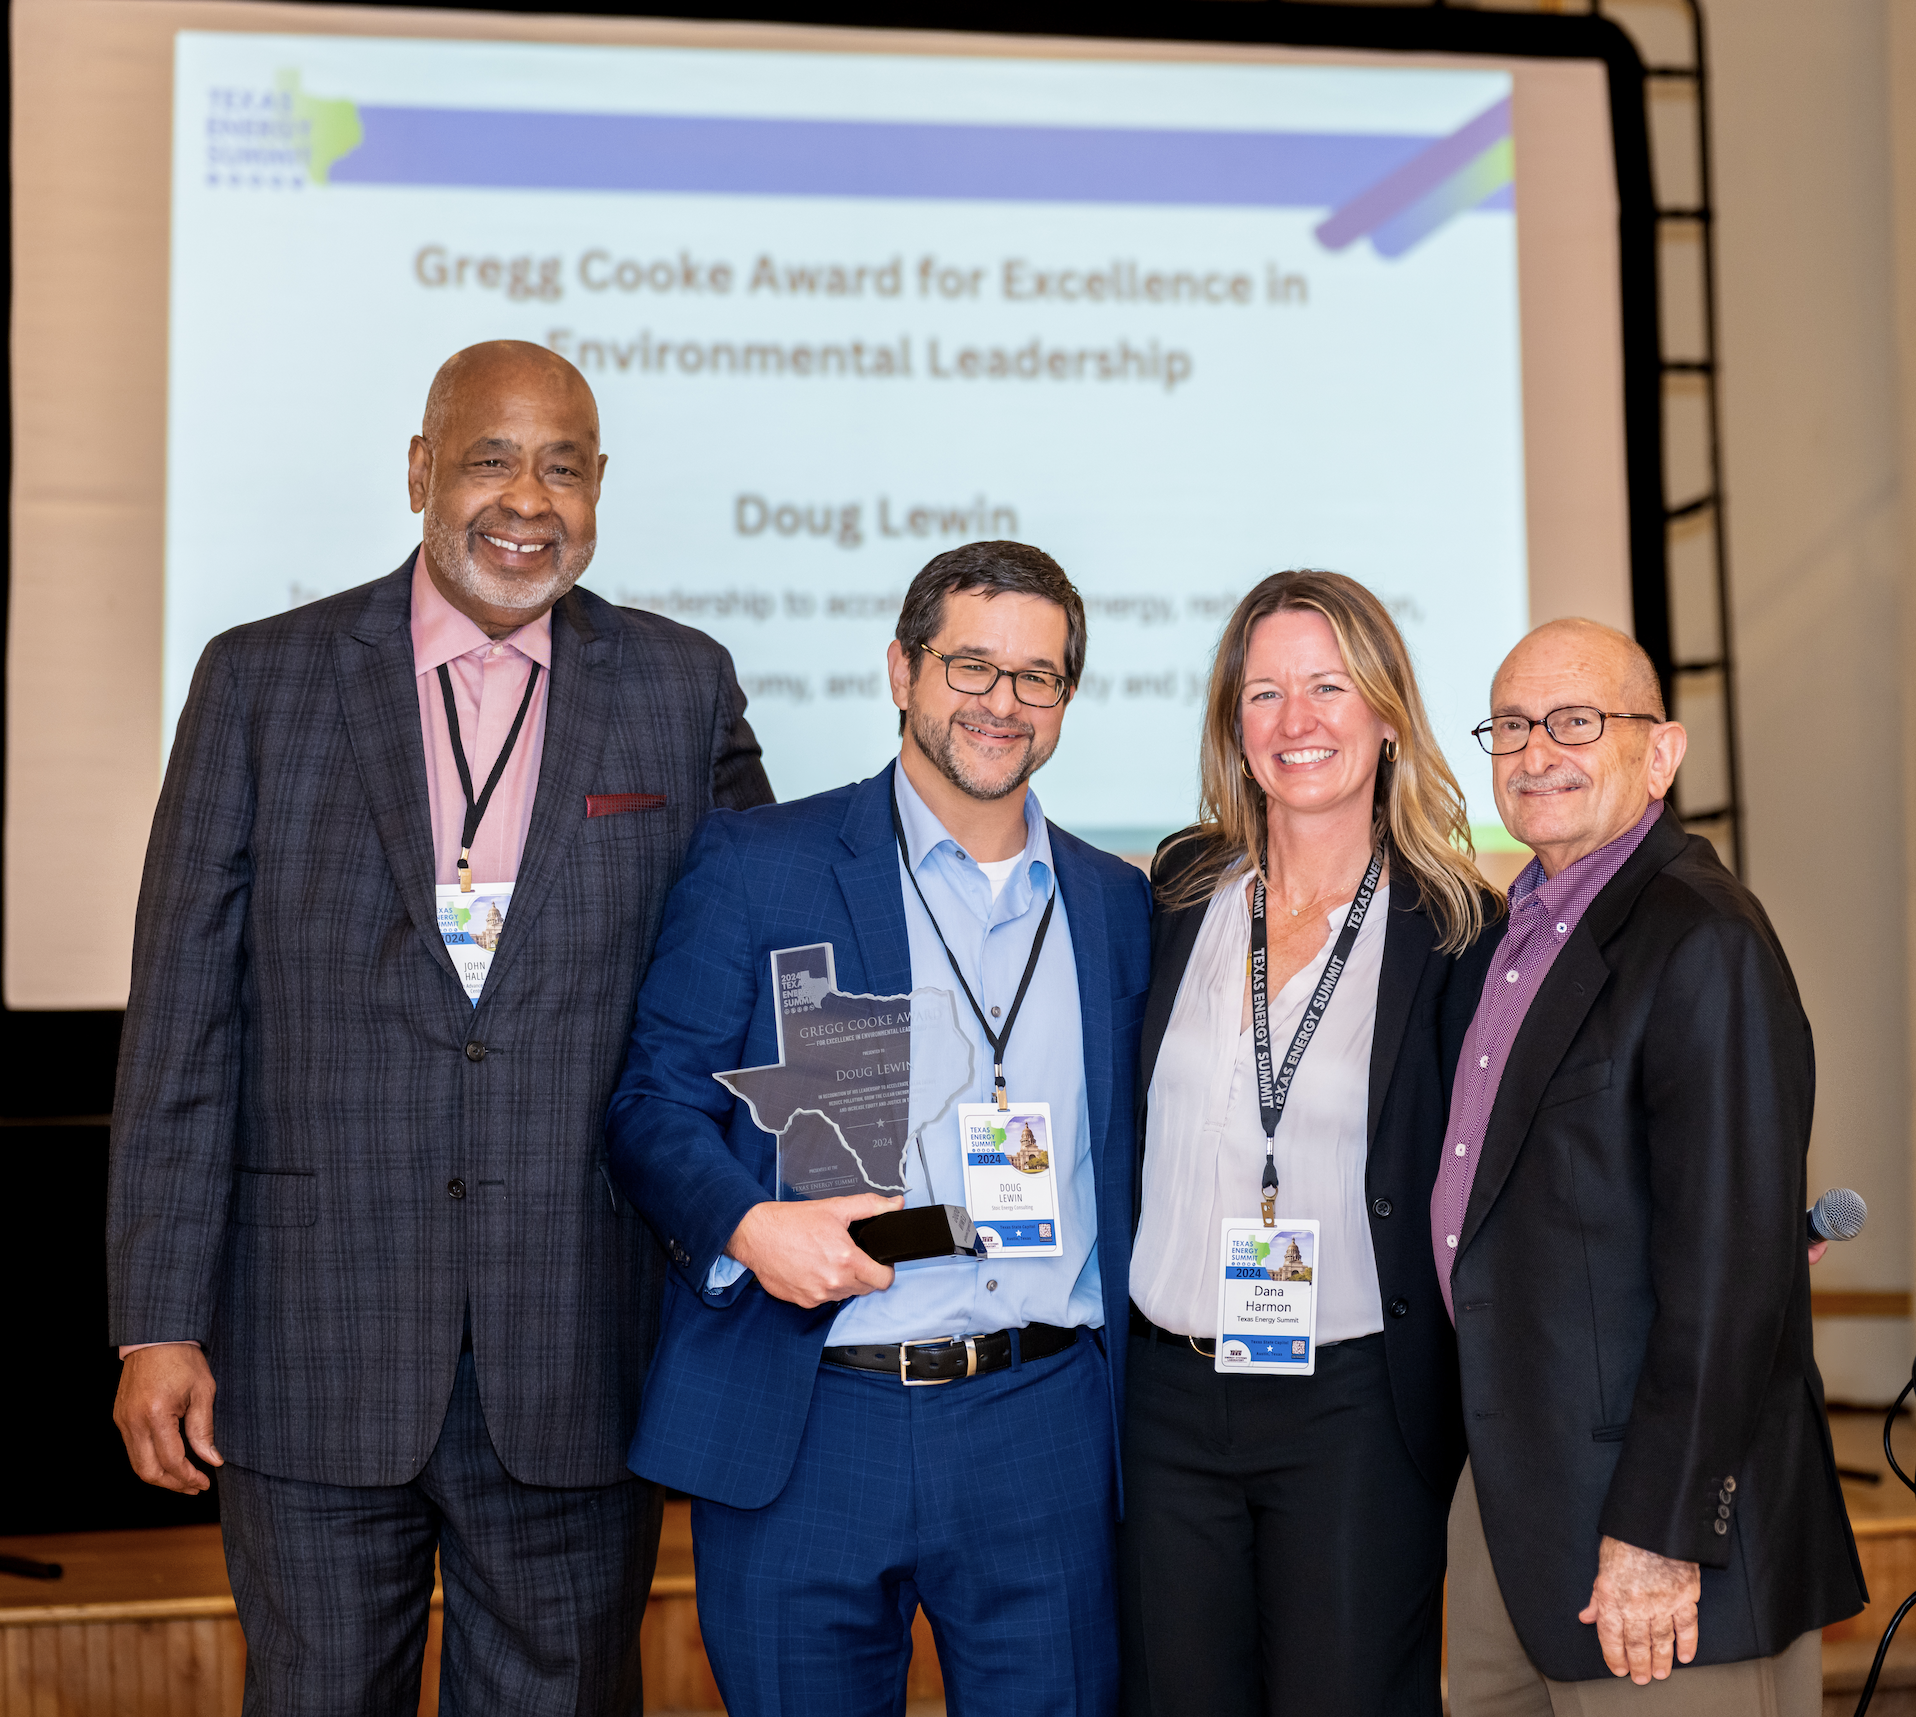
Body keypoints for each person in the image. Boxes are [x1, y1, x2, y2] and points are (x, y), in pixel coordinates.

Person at [107, 340, 772, 1713]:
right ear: (420, 470)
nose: (528, 497)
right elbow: (181, 1022)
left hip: (577, 1345)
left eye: (565, 465)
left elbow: (758, 964)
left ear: (600, 491)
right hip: (308, 1341)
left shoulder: (680, 685)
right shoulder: (260, 681)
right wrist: (153, 1321)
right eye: (490, 455)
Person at [606, 541, 1150, 1717]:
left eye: (1036, 675)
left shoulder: (1118, 904)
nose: (1000, 702)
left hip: (1040, 1423)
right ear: (900, 670)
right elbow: (651, 1106)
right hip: (810, 1420)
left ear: (1064, 699)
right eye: (969, 665)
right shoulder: (762, 866)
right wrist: (748, 1225)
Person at [1440, 618, 1865, 1715]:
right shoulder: (1509, 935)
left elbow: (1731, 1274)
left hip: (1649, 1541)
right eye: (1512, 726)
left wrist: (1659, 1534)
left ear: (1660, 753)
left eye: (1576, 722)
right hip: (1512, 1503)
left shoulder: (1700, 939)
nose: (1536, 753)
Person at [1118, 569, 1501, 1716]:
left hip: (1349, 1406)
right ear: (1232, 725)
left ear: (1385, 713)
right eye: (1265, 692)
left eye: (1328, 687)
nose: (1297, 722)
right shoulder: (1181, 890)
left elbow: (1525, 1141)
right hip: (1163, 1399)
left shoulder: (1453, 932)